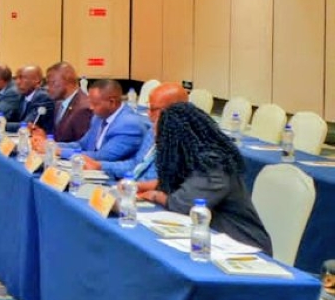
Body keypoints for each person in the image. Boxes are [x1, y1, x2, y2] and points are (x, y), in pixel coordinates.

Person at [137, 102, 273, 254]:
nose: (158, 146)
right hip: (212, 238)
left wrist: (154, 195)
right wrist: (140, 187)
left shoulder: (214, 164)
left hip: (243, 243)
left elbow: (183, 204)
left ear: (176, 140)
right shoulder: (189, 157)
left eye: (160, 141)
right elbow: (173, 184)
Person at [83, 82, 187, 181]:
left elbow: (163, 183)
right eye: (148, 107)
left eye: (153, 109)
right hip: (132, 187)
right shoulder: (152, 131)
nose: (148, 113)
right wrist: (100, 166)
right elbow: (136, 164)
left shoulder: (184, 142)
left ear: (174, 109)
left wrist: (139, 188)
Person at [40, 79, 145, 162]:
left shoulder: (129, 124)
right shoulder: (98, 117)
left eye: (95, 104)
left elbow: (103, 156)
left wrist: (60, 151)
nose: (90, 107)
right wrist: (49, 145)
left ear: (111, 102)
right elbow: (81, 145)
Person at [34, 62, 91, 144]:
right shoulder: (59, 104)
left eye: (52, 82)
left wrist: (46, 141)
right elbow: (58, 136)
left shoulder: (83, 108)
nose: (47, 87)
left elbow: (82, 146)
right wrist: (44, 135)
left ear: (68, 81)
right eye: (47, 83)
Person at [7, 65, 55, 133]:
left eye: (22, 78)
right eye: (16, 78)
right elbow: (10, 118)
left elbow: (27, 125)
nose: (17, 82)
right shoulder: (22, 96)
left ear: (37, 81)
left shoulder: (43, 98)